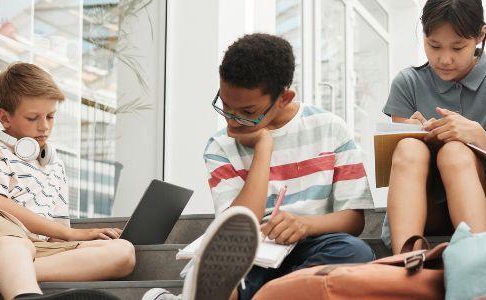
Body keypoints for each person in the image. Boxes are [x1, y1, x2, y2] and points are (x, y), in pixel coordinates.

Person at [144, 33, 376, 300]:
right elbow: (239, 225)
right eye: (225, 106)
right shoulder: (220, 147)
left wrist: (306, 225)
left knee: (355, 252)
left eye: (248, 112)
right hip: (249, 253)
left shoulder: (330, 128)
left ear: (284, 98)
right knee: (226, 273)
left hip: (314, 245)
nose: (232, 121)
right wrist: (264, 147)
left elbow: (354, 219)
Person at [0, 62, 134, 300]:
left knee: (123, 254)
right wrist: (73, 235)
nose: (44, 127)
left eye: (50, 117)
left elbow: (58, 233)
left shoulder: (55, 166)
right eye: (33, 118)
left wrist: (81, 236)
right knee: (14, 244)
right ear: (5, 117)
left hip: (28, 246)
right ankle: (24, 294)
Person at [382, 0, 486, 254]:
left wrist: (473, 134)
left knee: (455, 152)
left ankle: (474, 259)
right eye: (433, 45)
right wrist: (420, 136)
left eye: (458, 47)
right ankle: (406, 260)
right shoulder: (407, 83)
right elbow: (402, 166)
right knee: (408, 147)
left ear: (480, 35)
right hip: (427, 205)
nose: (444, 59)